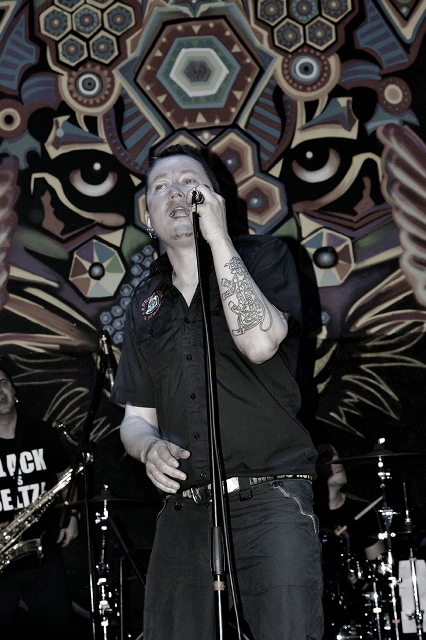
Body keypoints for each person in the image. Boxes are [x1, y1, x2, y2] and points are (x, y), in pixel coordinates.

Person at [111, 144, 324, 640]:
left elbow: (258, 344)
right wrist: (148, 448)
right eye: (160, 187)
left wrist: (218, 239)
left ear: (215, 197)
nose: (175, 192)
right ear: (148, 217)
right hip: (185, 511)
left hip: (270, 499)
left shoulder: (265, 258)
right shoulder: (144, 304)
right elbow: (135, 418)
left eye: (189, 181)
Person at [0, 367, 78, 639]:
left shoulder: (40, 432)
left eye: (3, 382)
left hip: (43, 556)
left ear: (14, 390)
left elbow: (66, 477)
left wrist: (72, 515)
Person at [314, 443, 386, 639]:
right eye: (328, 457)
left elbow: (379, 569)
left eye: (338, 455)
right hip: (315, 604)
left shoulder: (361, 509)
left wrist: (363, 581)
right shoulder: (306, 513)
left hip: (355, 607)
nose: (339, 461)